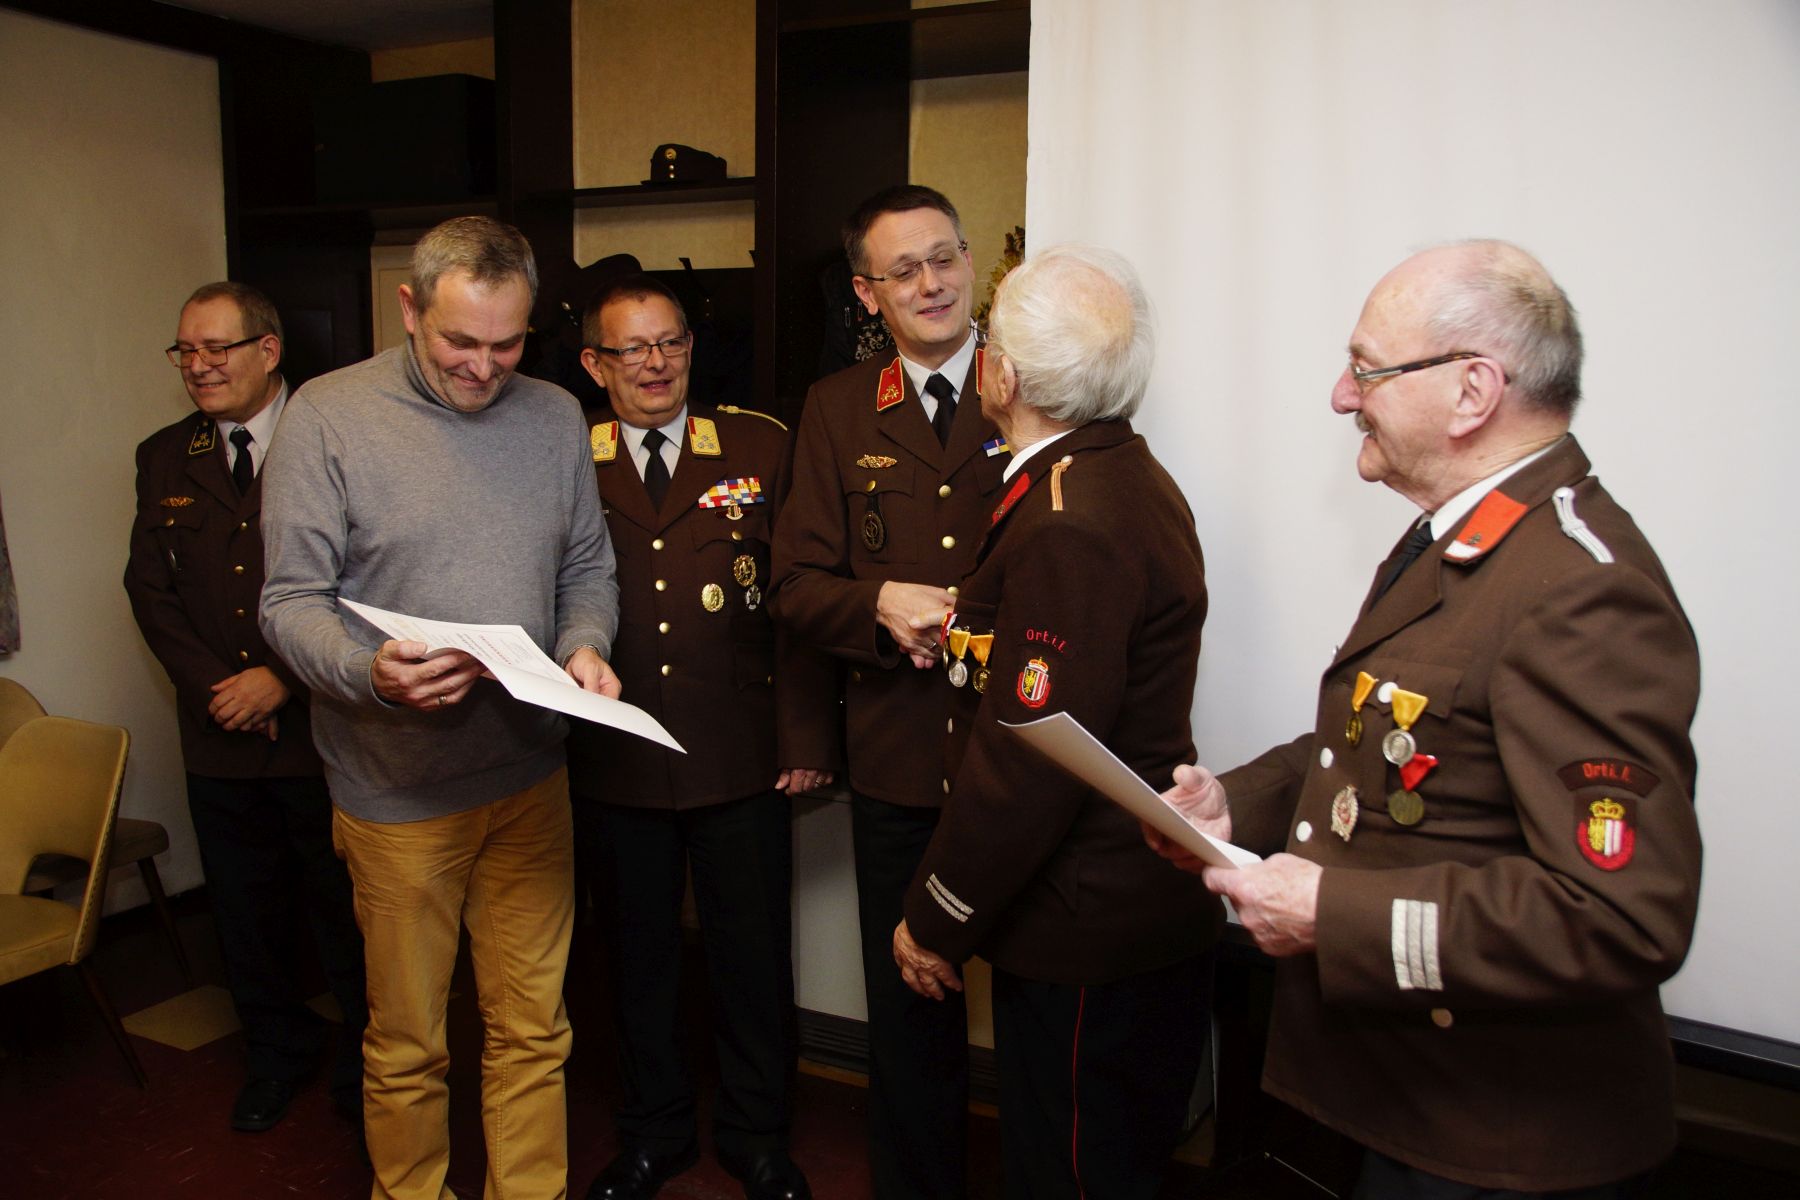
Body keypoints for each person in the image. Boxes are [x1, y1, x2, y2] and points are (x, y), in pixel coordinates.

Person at [1147, 240, 1702, 1199]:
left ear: (1472, 391)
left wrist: (1332, 915)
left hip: (1503, 1143)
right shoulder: (1464, 539)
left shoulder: (1578, 589)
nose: (1341, 396)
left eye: (1367, 370)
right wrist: (1237, 805)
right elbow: (1381, 738)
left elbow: (1618, 918)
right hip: (1405, 1100)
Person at [259, 216, 621, 1200]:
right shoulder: (328, 417)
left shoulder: (553, 414)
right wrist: (369, 672)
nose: (485, 368)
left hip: (530, 777)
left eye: (509, 344)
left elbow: (586, 565)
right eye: (462, 341)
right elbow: (288, 602)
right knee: (410, 1044)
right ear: (409, 308)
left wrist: (585, 644)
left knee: (534, 1031)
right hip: (397, 792)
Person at [890, 244, 1220, 1199]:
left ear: (1005, 376)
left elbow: (1031, 762)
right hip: (1120, 914)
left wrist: (936, 918)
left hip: (1086, 928)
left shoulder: (1071, 514)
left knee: (1070, 1176)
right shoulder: (1114, 473)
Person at [568, 274, 838, 1200]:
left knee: (752, 959)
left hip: (739, 752)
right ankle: (654, 1133)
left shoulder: (760, 444)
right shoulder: (567, 453)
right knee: (636, 963)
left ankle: (759, 1135)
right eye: (632, 348)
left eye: (671, 342)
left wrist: (807, 734)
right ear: (594, 363)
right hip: (616, 756)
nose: (656, 363)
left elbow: (801, 599)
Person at [768, 184, 1008, 1199]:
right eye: (904, 270)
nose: (932, 282)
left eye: (945, 257)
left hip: (1017, 755)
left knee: (1035, 1004)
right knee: (910, 1001)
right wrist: (875, 604)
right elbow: (793, 585)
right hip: (900, 755)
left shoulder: (1031, 379)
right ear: (868, 294)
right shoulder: (834, 409)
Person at [125, 281, 367, 1135]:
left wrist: (281, 678)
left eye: (216, 348)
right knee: (244, 913)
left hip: (321, 728)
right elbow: (150, 591)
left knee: (344, 912)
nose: (198, 366)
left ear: (268, 350)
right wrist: (216, 690)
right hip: (220, 734)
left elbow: (369, 580)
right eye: (185, 351)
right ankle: (275, 1055)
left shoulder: (334, 438)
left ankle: (367, 1069)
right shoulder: (165, 455)